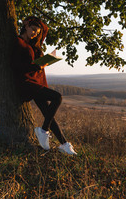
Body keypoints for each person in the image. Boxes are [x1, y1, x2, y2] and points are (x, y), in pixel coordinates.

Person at [11, 16, 77, 155]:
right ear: (26, 27)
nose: (35, 33)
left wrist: (44, 61)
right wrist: (37, 66)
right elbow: (16, 66)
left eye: (37, 31)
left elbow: (44, 29)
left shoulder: (34, 44)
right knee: (57, 97)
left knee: (48, 114)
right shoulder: (18, 42)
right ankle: (42, 131)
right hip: (26, 83)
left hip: (36, 82)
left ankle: (64, 144)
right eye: (33, 29)